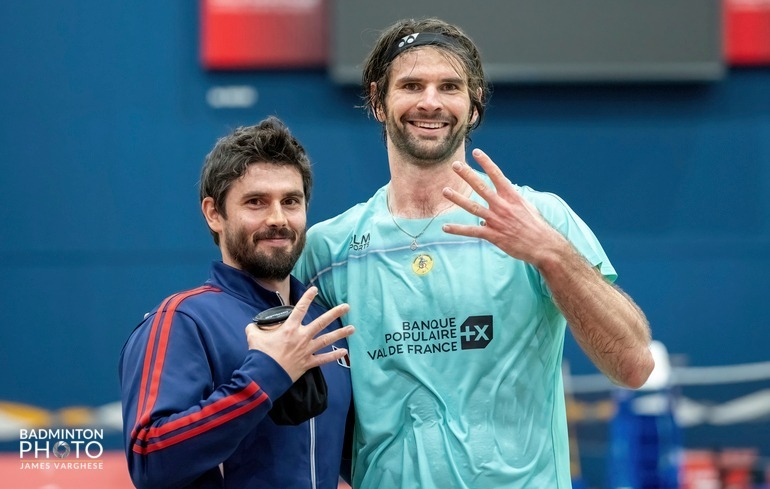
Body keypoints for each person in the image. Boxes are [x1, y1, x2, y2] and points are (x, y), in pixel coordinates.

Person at [294, 18, 655, 488]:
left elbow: (633, 365)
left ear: (474, 103)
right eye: (411, 85)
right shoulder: (329, 249)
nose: (430, 101)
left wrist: (548, 251)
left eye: (450, 86)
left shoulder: (537, 216)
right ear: (379, 100)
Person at [119, 116, 355, 489]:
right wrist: (267, 372)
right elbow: (150, 458)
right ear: (214, 214)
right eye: (256, 202)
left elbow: (356, 457)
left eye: (291, 201)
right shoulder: (183, 320)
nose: (278, 218)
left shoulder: (324, 324)